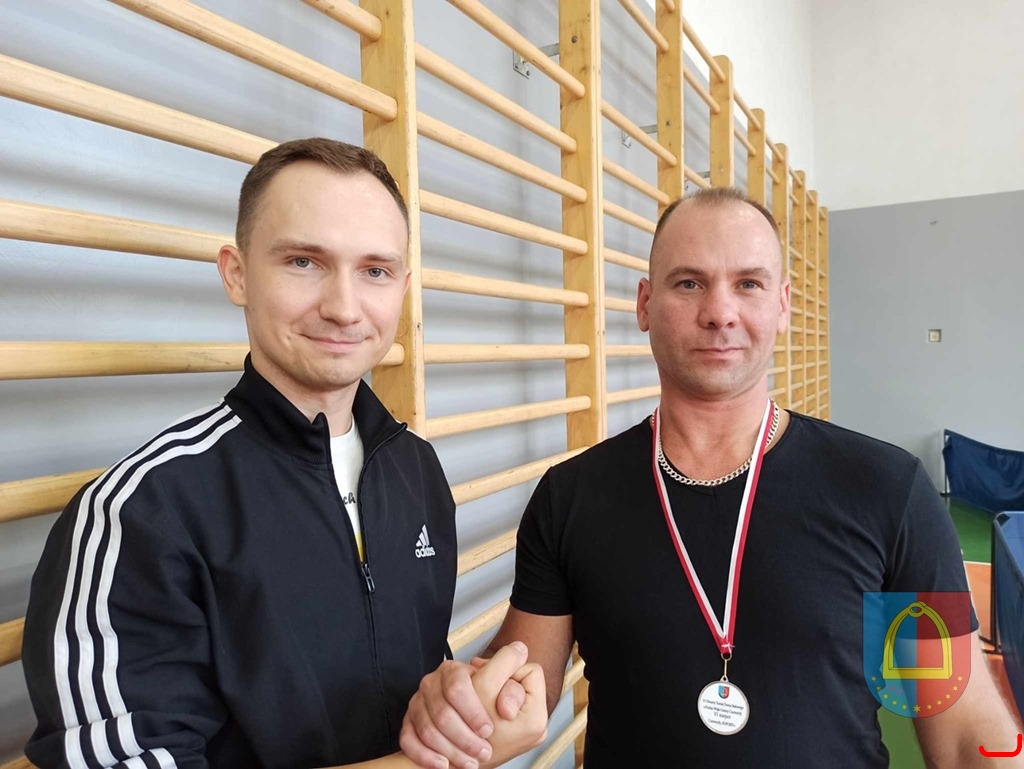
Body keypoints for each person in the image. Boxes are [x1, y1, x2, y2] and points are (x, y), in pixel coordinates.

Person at [400, 187, 1023, 768]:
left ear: (782, 306)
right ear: (645, 305)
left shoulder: (885, 489)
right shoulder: (571, 497)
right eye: (689, 283)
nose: (720, 312)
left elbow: (959, 728)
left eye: (748, 284)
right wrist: (459, 703)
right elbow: (510, 695)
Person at [21, 138, 546, 769]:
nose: (344, 308)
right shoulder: (138, 513)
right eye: (304, 261)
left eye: (375, 271)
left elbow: (403, 689)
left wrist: (458, 711)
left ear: (404, 288)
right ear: (237, 274)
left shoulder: (415, 469)